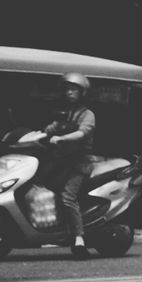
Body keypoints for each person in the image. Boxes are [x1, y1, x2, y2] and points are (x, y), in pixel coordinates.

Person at [41, 72, 97, 259]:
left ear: (82, 93)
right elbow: (51, 128)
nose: (69, 93)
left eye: (73, 89)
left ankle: (79, 240)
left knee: (67, 198)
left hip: (80, 163)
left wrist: (62, 138)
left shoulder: (87, 115)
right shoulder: (65, 113)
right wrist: (37, 134)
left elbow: (82, 133)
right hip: (62, 161)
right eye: (67, 89)